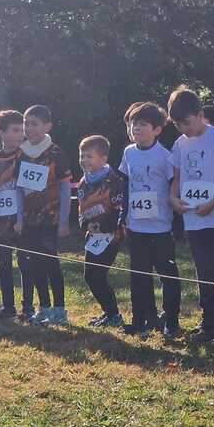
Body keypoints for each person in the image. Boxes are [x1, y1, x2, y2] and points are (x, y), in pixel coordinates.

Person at [168, 86, 214, 342]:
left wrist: (212, 204)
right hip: (194, 221)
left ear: (200, 115)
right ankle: (209, 322)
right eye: (178, 125)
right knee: (205, 272)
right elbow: (177, 179)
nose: (184, 129)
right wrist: (173, 198)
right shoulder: (179, 144)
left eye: (187, 123)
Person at [118, 102, 181, 338]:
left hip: (161, 227)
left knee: (167, 276)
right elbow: (125, 184)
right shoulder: (129, 152)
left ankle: (171, 321)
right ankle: (141, 319)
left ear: (157, 130)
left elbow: (173, 188)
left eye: (143, 125)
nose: (136, 128)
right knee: (139, 276)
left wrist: (177, 222)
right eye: (134, 124)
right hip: (136, 227)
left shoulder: (165, 157)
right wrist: (123, 215)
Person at [14, 104, 71, 326]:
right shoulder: (21, 153)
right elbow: (19, 189)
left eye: (34, 124)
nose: (29, 128)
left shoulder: (56, 153)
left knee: (50, 262)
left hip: (51, 218)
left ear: (47, 126)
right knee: (35, 262)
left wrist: (64, 220)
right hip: (30, 219)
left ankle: (59, 309)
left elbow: (65, 187)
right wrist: (19, 219)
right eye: (26, 124)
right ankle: (44, 306)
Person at [77, 135, 125, 327]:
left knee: (96, 274)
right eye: (82, 156)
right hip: (93, 236)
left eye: (89, 156)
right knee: (90, 276)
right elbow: (81, 210)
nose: (84, 160)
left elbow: (119, 210)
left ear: (103, 158)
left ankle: (113, 315)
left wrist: (105, 227)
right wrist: (85, 225)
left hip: (111, 236)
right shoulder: (83, 182)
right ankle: (109, 313)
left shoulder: (113, 181)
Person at [0, 109, 25, 320]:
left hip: (22, 217)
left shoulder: (27, 156)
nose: (21, 134)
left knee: (26, 262)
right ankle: (8, 306)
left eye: (22, 130)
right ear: (1, 132)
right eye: (15, 130)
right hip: (0, 219)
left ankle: (28, 307)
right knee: (3, 262)